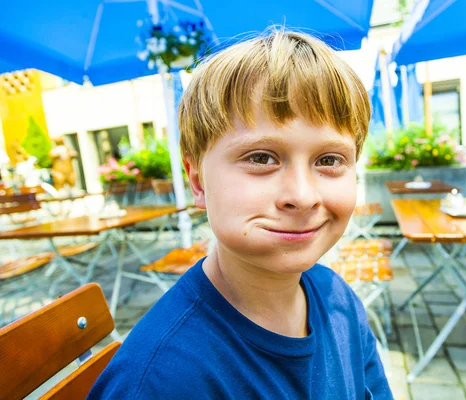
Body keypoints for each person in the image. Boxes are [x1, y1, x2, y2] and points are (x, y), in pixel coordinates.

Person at [88, 29, 392, 399]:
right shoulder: (162, 382)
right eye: (261, 158)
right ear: (198, 183)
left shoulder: (338, 299)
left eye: (329, 160)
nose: (302, 196)